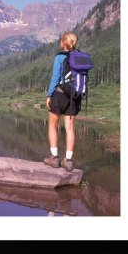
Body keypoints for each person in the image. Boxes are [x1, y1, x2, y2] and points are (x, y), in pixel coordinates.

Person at [44, 32, 81, 172]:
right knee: (70, 128)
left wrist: (49, 95)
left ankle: (54, 157)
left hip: (60, 95)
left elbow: (55, 77)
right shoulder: (79, 57)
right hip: (74, 96)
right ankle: (68, 160)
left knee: (53, 125)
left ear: (64, 42)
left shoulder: (60, 57)